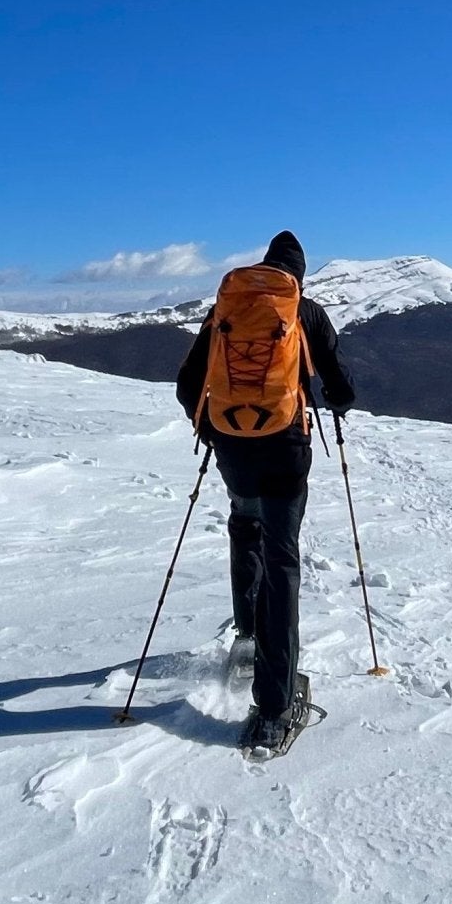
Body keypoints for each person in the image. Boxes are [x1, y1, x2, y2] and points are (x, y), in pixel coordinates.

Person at [175, 229, 356, 751]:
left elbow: (188, 384)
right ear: (298, 275)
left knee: (244, 524)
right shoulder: (306, 313)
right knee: (282, 560)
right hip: (285, 452)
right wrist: (338, 402)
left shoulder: (227, 311)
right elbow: (341, 384)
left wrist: (212, 426)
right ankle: (274, 709)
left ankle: (246, 639)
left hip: (234, 451)